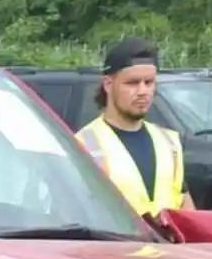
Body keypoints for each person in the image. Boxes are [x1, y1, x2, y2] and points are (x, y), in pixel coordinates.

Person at [74, 37, 193, 220]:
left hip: (169, 248)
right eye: (132, 83)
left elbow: (185, 204)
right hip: (115, 247)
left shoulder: (169, 143)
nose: (143, 91)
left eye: (149, 82)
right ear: (108, 85)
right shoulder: (83, 145)